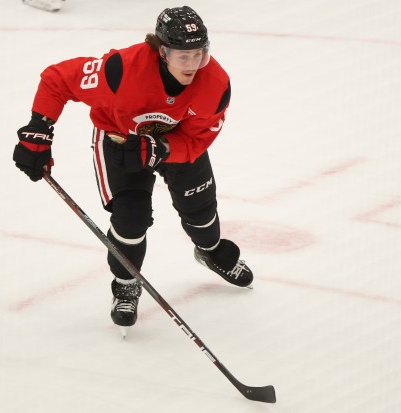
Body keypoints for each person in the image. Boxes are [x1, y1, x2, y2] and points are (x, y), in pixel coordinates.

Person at [13, 6, 254, 334]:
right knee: (131, 217)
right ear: (162, 51)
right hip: (120, 139)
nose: (193, 65)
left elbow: (198, 138)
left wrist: (164, 149)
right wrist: (40, 127)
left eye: (200, 54)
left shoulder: (215, 85)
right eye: (183, 56)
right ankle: (126, 283)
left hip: (175, 142)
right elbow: (58, 79)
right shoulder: (120, 71)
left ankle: (211, 251)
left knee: (200, 209)